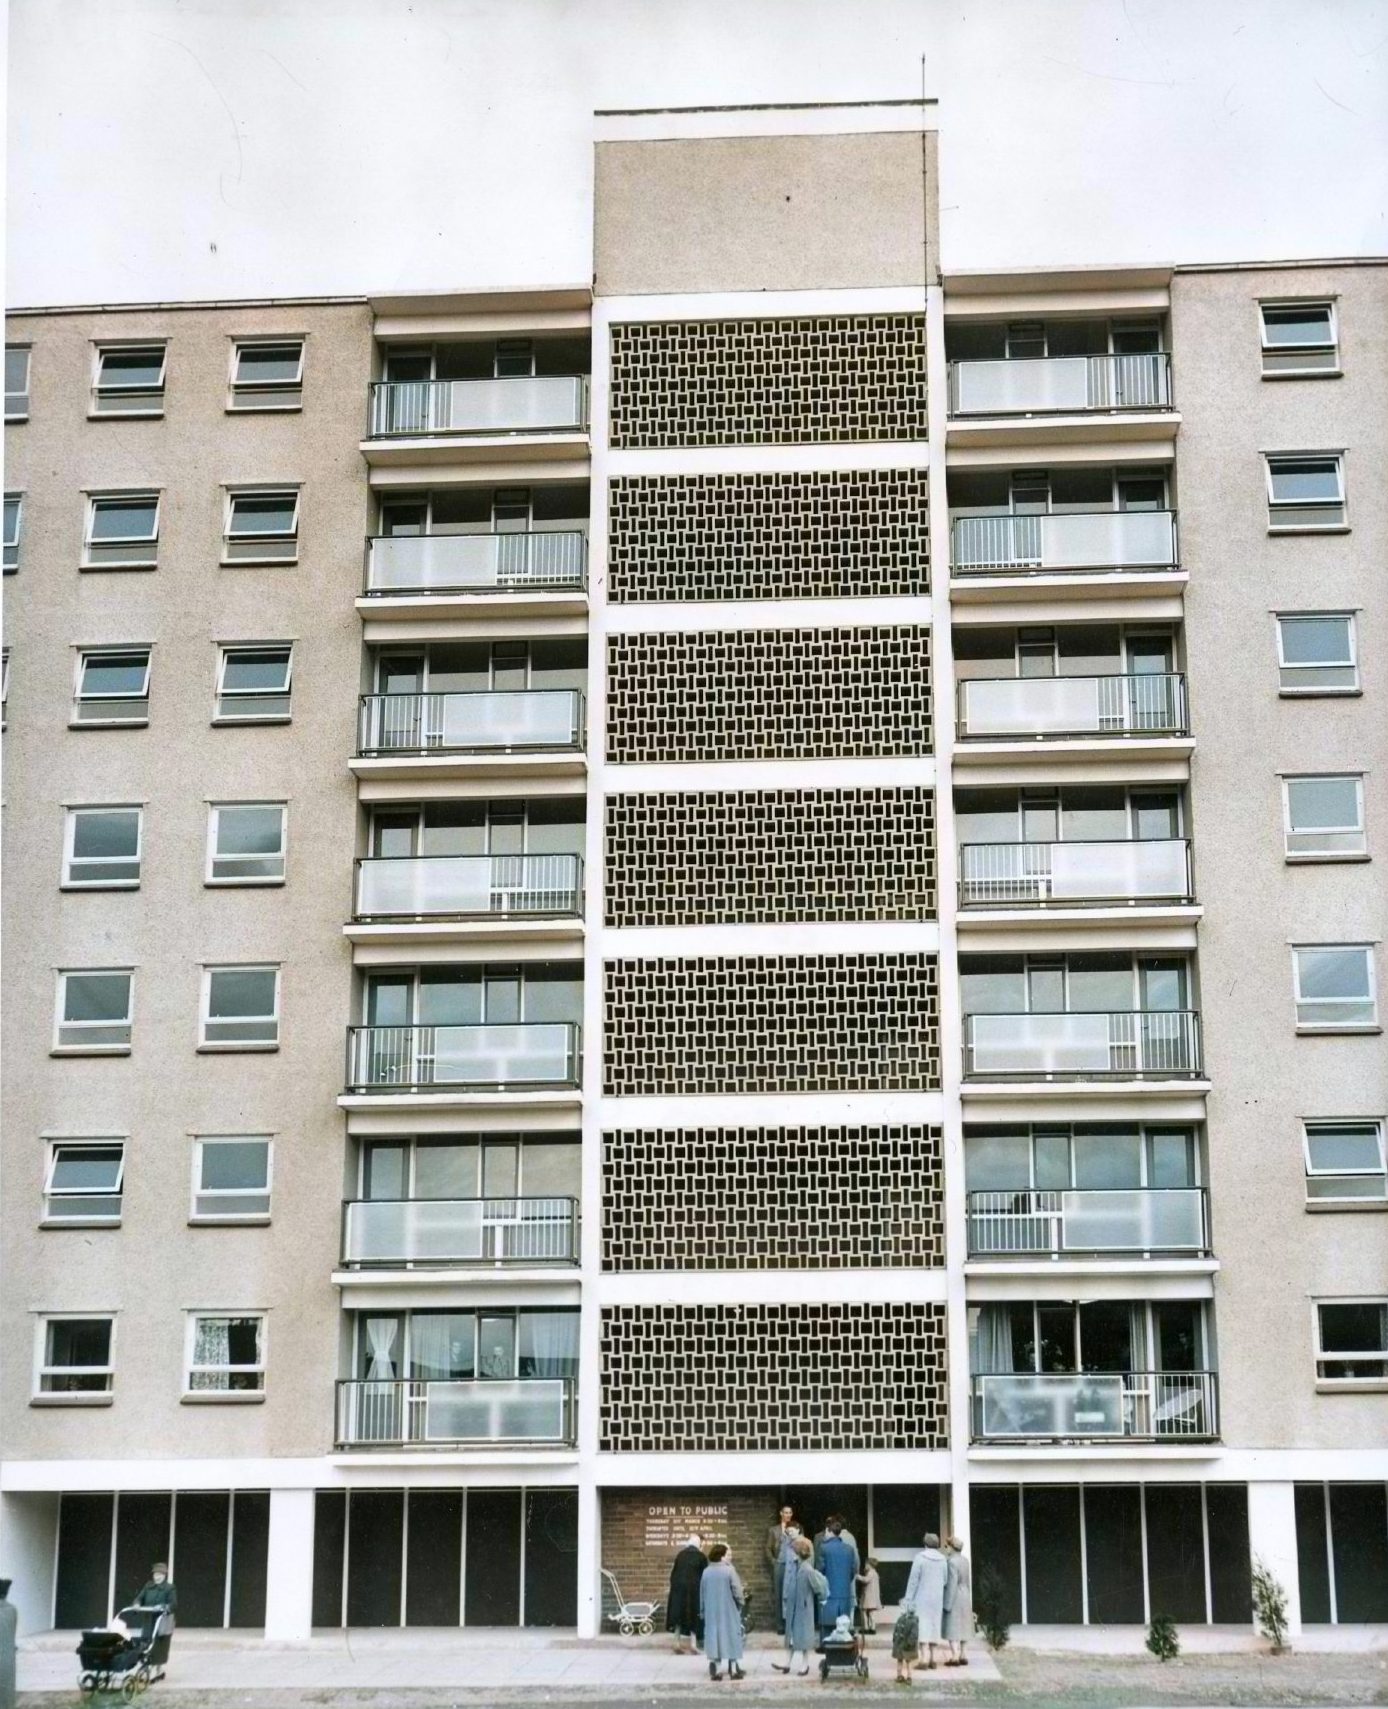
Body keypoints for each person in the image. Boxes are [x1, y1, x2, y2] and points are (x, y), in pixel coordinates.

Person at [771, 1536, 819, 1676]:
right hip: (794, 1605)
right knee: (791, 1635)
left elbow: (817, 1587)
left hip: (803, 1607)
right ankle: (787, 1663)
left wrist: (818, 1599)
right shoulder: (795, 1567)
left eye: (793, 1551)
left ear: (798, 1553)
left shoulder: (807, 1569)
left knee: (803, 1636)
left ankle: (805, 1664)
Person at [698, 1543, 746, 1682]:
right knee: (732, 1637)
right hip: (729, 1609)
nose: (728, 1557)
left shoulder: (706, 1571)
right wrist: (741, 1603)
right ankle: (733, 1668)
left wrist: (702, 1611)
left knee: (715, 1639)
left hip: (712, 1611)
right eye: (726, 1554)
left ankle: (717, 1671)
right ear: (722, 1556)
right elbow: (737, 1591)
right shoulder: (729, 1571)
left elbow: (702, 1593)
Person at [903, 1532, 949, 1670]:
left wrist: (908, 1598)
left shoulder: (920, 1558)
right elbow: (945, 1580)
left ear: (925, 1544)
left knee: (923, 1625)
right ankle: (933, 1658)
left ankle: (924, 1658)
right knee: (934, 1625)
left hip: (922, 1597)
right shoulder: (943, 1559)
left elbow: (913, 1580)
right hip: (937, 1597)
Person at [132, 1563, 176, 1680]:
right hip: (148, 1620)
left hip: (162, 1621)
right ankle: (151, 1669)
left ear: (165, 1575)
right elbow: (139, 1598)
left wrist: (163, 1607)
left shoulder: (169, 1588)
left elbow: (173, 1604)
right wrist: (136, 1604)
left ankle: (157, 1670)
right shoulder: (148, 1586)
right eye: (156, 1574)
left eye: (160, 1574)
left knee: (159, 1645)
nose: (157, 1577)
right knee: (146, 1643)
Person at [666, 1534, 707, 1655]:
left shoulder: (680, 1555)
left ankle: (676, 1642)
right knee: (694, 1615)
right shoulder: (701, 1557)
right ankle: (693, 1644)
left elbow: (673, 1573)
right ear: (698, 1544)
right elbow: (705, 1575)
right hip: (694, 1591)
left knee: (679, 1616)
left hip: (678, 1591)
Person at [764, 1506, 798, 1636]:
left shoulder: (797, 1527)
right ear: (781, 1514)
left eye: (790, 1512)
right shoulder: (774, 1530)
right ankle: (780, 1625)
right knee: (779, 1594)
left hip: (792, 1563)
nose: (788, 1515)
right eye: (785, 1512)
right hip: (780, 1564)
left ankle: (791, 1624)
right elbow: (767, 1548)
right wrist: (774, 1562)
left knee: (792, 1592)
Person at [818, 1518, 857, 1630]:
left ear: (830, 1532)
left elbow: (820, 1570)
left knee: (828, 1627)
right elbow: (853, 1570)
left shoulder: (824, 1548)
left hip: (829, 1591)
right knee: (844, 1624)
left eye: (826, 1531)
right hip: (845, 1591)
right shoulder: (849, 1549)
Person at [943, 1537, 973, 1667]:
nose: (946, 1549)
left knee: (952, 1626)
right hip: (965, 1594)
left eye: (947, 1546)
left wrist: (947, 1604)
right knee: (964, 1626)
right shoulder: (965, 1561)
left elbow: (951, 1584)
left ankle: (955, 1655)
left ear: (951, 1547)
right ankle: (964, 1654)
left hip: (955, 1596)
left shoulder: (951, 1562)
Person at [890, 1599, 919, 1686]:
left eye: (903, 1607)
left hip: (907, 1645)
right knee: (899, 1660)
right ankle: (899, 1675)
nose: (901, 1609)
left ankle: (909, 1676)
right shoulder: (901, 1618)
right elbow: (896, 1629)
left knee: (908, 1661)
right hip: (899, 1644)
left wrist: (909, 1643)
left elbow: (914, 1635)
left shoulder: (913, 1622)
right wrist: (895, 1638)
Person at [856, 1557, 883, 1635]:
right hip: (873, 1597)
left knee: (864, 1612)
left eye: (866, 1564)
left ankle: (866, 1627)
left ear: (869, 1565)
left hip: (868, 1596)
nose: (865, 1566)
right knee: (872, 1613)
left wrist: (858, 1576)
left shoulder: (870, 1573)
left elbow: (866, 1580)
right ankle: (872, 1627)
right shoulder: (875, 1573)